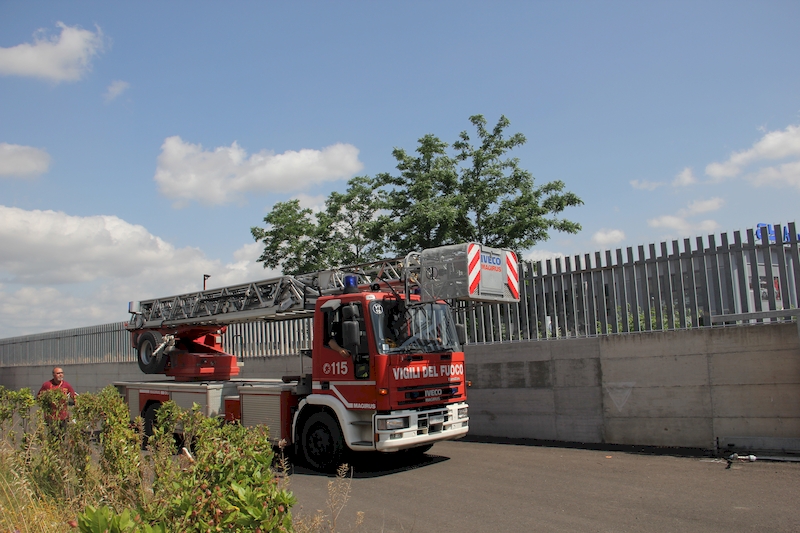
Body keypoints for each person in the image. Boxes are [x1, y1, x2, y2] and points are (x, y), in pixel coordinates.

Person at [38, 367, 76, 431]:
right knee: (53, 435)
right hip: (51, 416)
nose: (60, 375)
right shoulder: (47, 385)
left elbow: (74, 397)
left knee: (62, 435)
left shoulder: (66, 385)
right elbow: (39, 397)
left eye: (62, 373)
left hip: (63, 416)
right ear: (53, 375)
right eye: (58, 373)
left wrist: (78, 406)